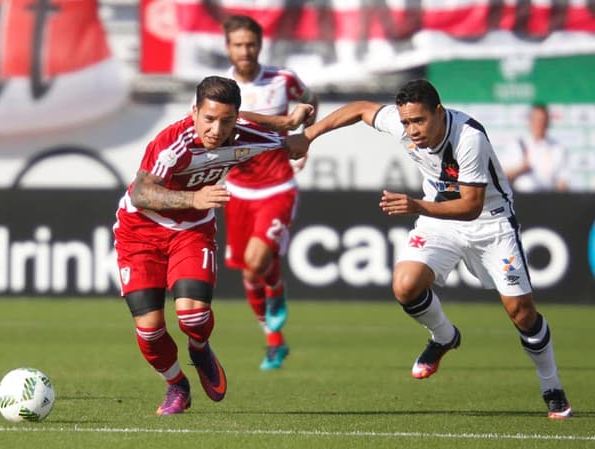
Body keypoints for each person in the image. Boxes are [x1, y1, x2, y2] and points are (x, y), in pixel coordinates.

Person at [285, 79, 573, 419]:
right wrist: (309, 135)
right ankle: (444, 337)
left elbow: (470, 206)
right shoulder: (405, 123)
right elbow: (360, 108)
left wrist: (415, 205)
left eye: (418, 121)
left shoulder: (469, 138)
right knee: (405, 285)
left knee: (521, 313)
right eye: (406, 122)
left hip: (490, 224)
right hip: (439, 221)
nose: (411, 130)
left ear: (438, 112)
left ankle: (551, 384)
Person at [113, 75, 311, 415]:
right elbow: (140, 193)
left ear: (237, 118)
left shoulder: (248, 135)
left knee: (194, 316)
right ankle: (177, 385)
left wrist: (304, 134)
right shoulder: (172, 143)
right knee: (149, 329)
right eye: (209, 119)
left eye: (226, 121)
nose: (216, 130)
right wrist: (195, 196)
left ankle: (199, 347)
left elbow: (293, 134)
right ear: (194, 112)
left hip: (191, 230)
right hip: (140, 232)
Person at [221, 14, 319, 370]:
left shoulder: (283, 79)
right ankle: (274, 340)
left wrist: (303, 139)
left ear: (260, 45)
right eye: (238, 44)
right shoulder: (220, 89)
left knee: (256, 264)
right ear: (227, 47)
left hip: (277, 185)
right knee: (250, 272)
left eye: (251, 44)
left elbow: (309, 100)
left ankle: (275, 301)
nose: (245, 51)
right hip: (237, 190)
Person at [501, 103, 569, 192]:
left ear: (548, 122)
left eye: (542, 120)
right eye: (536, 120)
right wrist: (520, 169)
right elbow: (502, 175)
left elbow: (563, 180)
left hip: (548, 198)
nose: (539, 124)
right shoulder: (517, 145)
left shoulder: (558, 148)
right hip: (521, 198)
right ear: (530, 121)